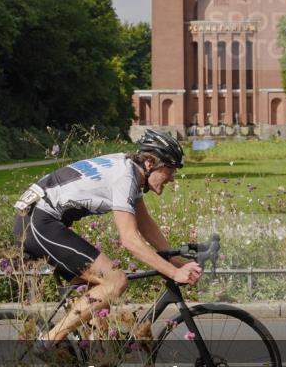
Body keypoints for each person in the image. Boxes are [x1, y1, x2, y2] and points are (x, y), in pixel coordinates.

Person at [13, 129, 202, 349]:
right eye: (169, 169)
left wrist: (174, 260)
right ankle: (48, 342)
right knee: (115, 281)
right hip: (38, 222)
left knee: (96, 300)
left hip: (40, 219)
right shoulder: (125, 177)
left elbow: (145, 224)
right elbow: (130, 240)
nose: (172, 178)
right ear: (150, 162)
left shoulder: (130, 171)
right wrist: (174, 272)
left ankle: (86, 365)